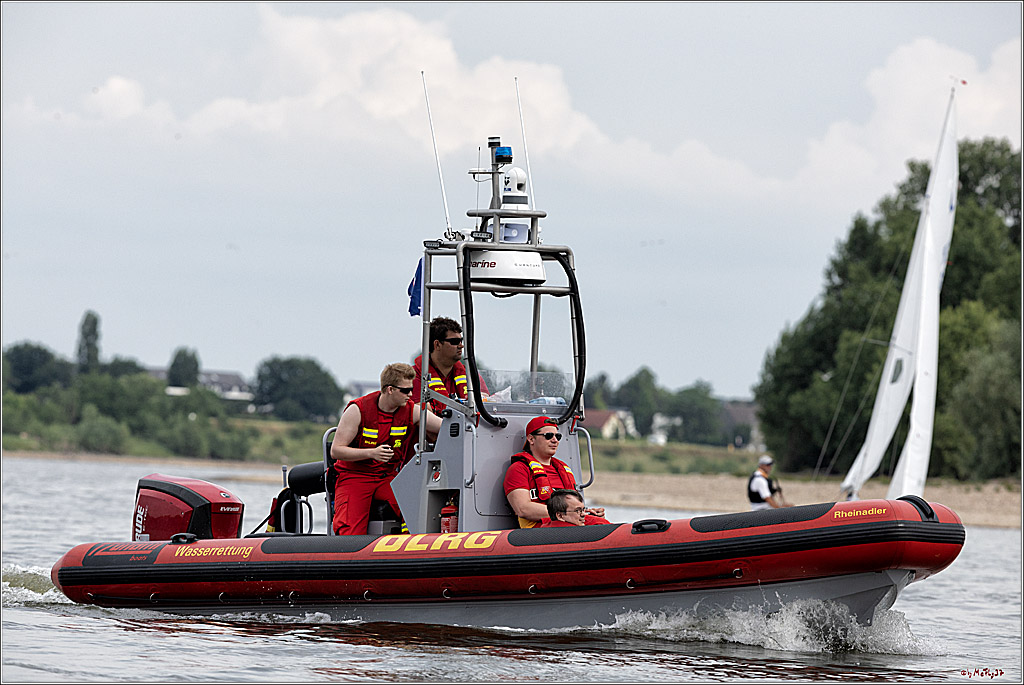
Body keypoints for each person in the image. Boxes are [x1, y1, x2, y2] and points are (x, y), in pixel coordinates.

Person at [330, 362, 442, 535]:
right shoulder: (357, 410)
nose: (410, 395)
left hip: (387, 477)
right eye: (405, 391)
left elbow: (444, 427)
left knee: (415, 507)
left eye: (411, 389)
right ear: (390, 389)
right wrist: (371, 453)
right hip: (355, 477)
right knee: (349, 531)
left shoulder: (412, 411)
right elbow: (336, 450)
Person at [503, 416, 606, 528]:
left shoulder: (563, 469)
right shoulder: (519, 469)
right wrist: (567, 514)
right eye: (548, 436)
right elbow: (523, 509)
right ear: (531, 439)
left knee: (601, 523)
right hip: (541, 528)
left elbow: (572, 508)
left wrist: (585, 513)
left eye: (558, 436)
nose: (555, 440)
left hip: (569, 523)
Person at [412, 316, 488, 417]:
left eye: (461, 341)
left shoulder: (470, 375)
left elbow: (487, 403)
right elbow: (419, 413)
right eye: (455, 342)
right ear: (437, 344)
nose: (461, 346)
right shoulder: (413, 376)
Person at [541, 489, 610, 527]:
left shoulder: (542, 532)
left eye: (583, 510)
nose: (584, 514)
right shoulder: (581, 534)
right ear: (560, 516)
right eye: (577, 511)